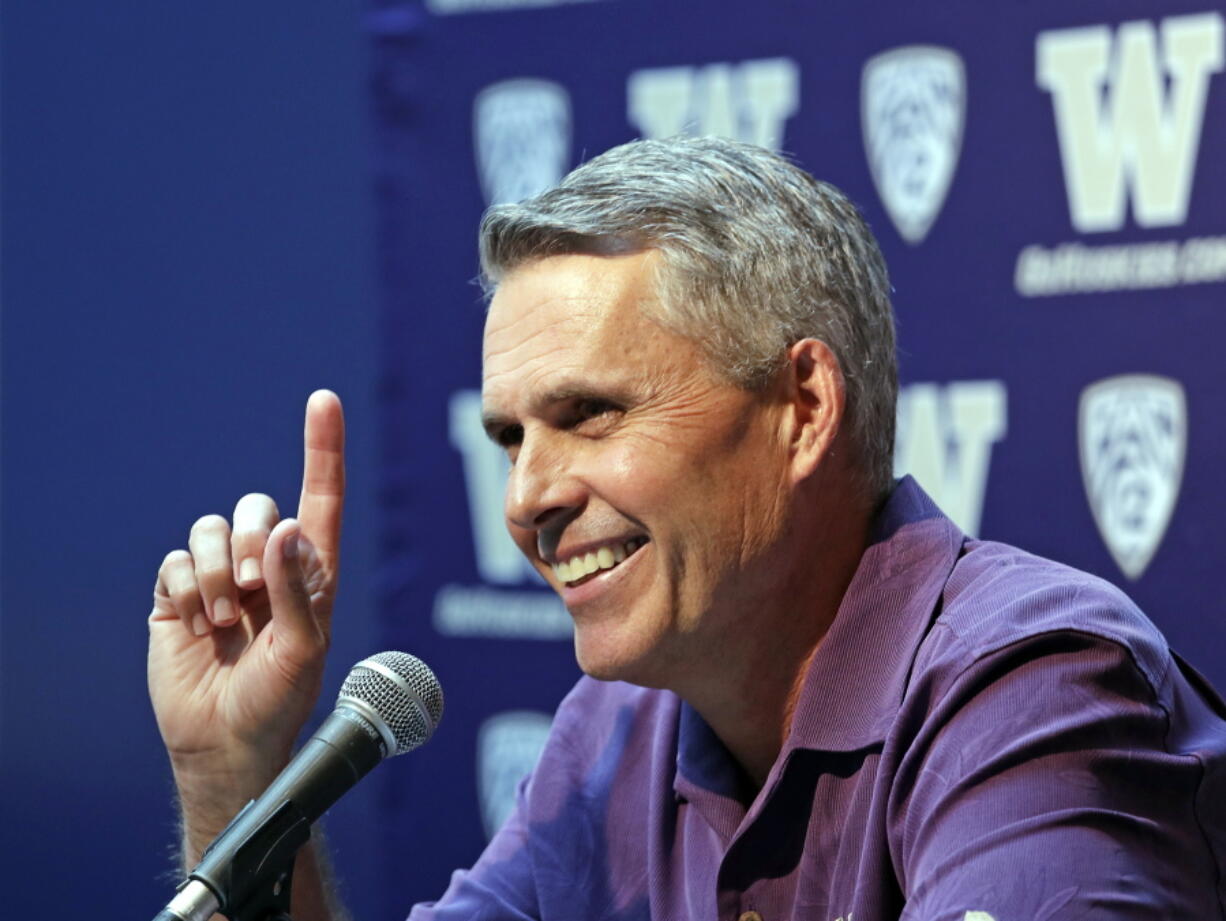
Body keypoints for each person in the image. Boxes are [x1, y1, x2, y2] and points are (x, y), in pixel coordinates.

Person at [148, 136, 1226, 921]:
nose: (525, 498)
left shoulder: (1030, 685)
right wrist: (236, 770)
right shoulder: (612, 734)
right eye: (510, 439)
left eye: (589, 414)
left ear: (801, 409)